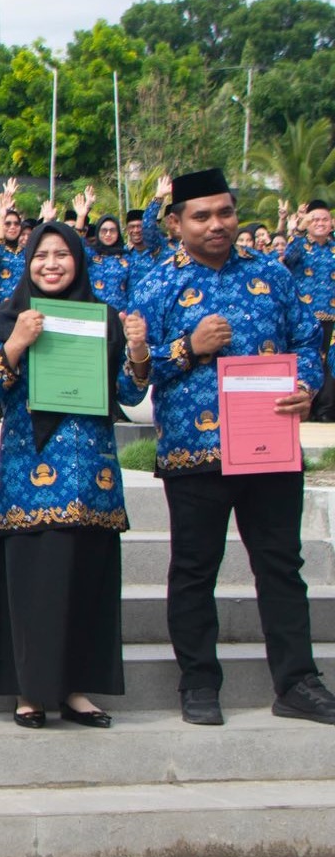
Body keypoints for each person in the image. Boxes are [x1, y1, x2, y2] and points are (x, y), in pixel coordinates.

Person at [139, 169, 335, 726]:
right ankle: (199, 682)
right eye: (202, 216)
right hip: (194, 452)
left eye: (225, 212)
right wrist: (187, 347)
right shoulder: (157, 285)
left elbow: (305, 339)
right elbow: (134, 376)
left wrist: (306, 385)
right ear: (176, 223)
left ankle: (297, 682)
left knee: (281, 566)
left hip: (270, 447)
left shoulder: (271, 275)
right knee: (195, 569)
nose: (218, 224)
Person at [0, 221, 150, 729]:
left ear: (79, 261)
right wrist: (15, 343)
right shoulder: (6, 317)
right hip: (30, 470)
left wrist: (139, 353)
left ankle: (76, 687)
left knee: (86, 579)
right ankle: (31, 691)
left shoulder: (105, 319)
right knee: (35, 578)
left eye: (62, 255)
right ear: (26, 261)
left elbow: (129, 393)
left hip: (91, 473)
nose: (51, 264)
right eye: (41, 255)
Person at [282, 200, 335, 421]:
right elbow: (287, 259)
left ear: (331, 223)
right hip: (306, 317)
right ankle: (305, 410)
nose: (320, 223)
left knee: (330, 364)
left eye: (324, 219)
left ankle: (326, 412)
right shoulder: (300, 245)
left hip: (332, 317)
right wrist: (298, 229)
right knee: (307, 361)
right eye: (315, 219)